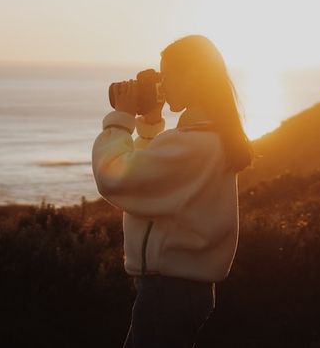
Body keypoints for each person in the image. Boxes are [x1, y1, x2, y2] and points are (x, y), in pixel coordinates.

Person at [92, 34, 254, 348]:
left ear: (192, 75)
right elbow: (154, 182)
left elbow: (115, 177)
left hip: (170, 291)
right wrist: (152, 125)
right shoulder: (207, 137)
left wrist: (120, 122)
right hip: (181, 290)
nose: (162, 86)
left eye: (167, 76)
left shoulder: (194, 142)